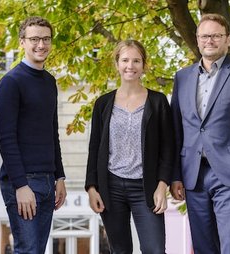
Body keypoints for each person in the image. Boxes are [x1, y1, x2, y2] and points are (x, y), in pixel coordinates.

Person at [169, 13, 230, 254]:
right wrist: (175, 175)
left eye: (216, 35)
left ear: (228, 40)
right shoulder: (182, 77)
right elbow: (176, 130)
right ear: (197, 39)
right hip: (193, 174)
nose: (209, 40)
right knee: (203, 246)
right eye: (205, 36)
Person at [85, 39, 174, 254]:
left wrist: (163, 185)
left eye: (136, 61)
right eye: (125, 60)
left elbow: (168, 147)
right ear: (117, 64)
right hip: (112, 187)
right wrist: (91, 188)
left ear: (144, 65)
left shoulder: (158, 101)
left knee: (155, 249)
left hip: (147, 187)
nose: (130, 66)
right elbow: (94, 147)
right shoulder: (103, 103)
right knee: (120, 250)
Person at [0, 16, 67, 253]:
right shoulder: (11, 83)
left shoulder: (49, 82)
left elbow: (51, 132)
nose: (41, 45)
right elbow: (5, 139)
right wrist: (20, 185)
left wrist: (60, 177)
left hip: (47, 180)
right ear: (22, 42)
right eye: (34, 39)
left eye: (46, 39)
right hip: (24, 182)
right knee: (27, 250)